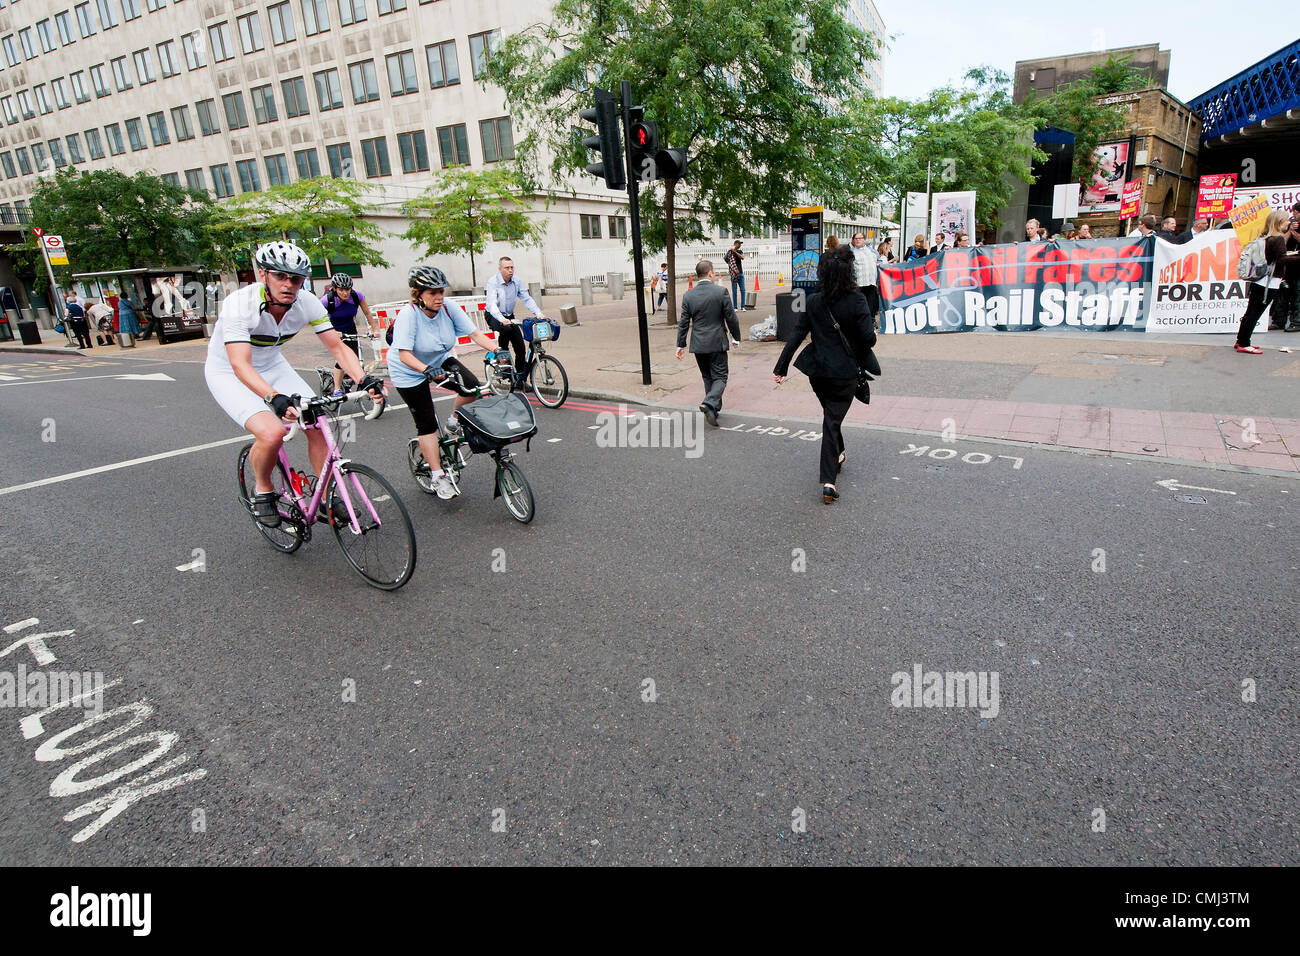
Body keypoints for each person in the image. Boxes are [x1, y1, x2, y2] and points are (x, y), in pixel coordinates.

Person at [204, 240, 383, 526]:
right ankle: (262, 488)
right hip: (229, 370)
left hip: (273, 365)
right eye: (280, 276)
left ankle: (325, 497)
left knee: (317, 423)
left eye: (296, 279)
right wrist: (273, 397)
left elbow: (337, 348)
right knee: (272, 433)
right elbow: (240, 364)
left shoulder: (306, 303)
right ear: (263, 275)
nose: (289, 284)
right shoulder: (239, 304)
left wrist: (363, 378)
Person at [772, 245, 877, 505]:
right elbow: (868, 339)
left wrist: (781, 367)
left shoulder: (815, 300)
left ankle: (839, 452)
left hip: (817, 371)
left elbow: (797, 334)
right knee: (832, 420)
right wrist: (869, 333)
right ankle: (828, 481)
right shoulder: (857, 300)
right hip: (844, 373)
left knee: (831, 415)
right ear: (848, 272)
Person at [389, 266, 498, 499]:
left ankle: (453, 422)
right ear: (418, 294)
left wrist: (497, 351)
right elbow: (404, 355)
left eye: (441, 291)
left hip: (439, 360)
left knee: (472, 387)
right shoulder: (409, 315)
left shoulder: (449, 308)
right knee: (426, 422)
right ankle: (438, 477)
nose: (439, 297)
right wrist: (426, 370)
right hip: (408, 371)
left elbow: (475, 334)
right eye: (432, 293)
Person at [676, 259, 740, 427]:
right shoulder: (721, 292)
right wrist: (736, 337)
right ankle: (709, 403)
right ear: (710, 273)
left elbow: (683, 322)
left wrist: (680, 345)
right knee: (720, 376)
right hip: (716, 342)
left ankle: (713, 409)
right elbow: (731, 317)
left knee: (707, 376)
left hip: (698, 343)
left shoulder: (688, 295)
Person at [1234, 211, 1291, 354]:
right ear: (1279, 222)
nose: (1288, 223)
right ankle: (1244, 343)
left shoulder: (1266, 237)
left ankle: (1241, 339)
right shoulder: (1278, 239)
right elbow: (1282, 260)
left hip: (1260, 280)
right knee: (1255, 312)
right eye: (1286, 221)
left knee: (1250, 311)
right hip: (1269, 282)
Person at [320, 273, 379, 396]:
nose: (345, 293)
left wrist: (374, 329)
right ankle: (336, 389)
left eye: (347, 289)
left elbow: (367, 313)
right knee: (342, 359)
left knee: (355, 357)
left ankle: (350, 377)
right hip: (333, 330)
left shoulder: (357, 296)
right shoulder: (327, 300)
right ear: (335, 289)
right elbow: (319, 319)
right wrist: (332, 332)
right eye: (341, 290)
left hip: (349, 328)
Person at [485, 256, 545, 375]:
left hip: (508, 315)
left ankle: (520, 378)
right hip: (493, 315)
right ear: (500, 269)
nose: (510, 270)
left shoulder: (516, 281)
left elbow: (526, 298)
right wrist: (501, 319)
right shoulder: (493, 282)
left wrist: (538, 313)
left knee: (520, 347)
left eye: (512, 267)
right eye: (507, 268)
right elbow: (492, 304)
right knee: (505, 330)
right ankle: (503, 360)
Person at [850, 231, 879, 316]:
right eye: (856, 238)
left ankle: (871, 321)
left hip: (871, 284)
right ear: (853, 240)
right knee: (860, 308)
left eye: (860, 238)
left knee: (871, 307)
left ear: (864, 240)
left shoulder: (872, 252)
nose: (858, 240)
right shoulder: (851, 253)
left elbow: (878, 263)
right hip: (859, 285)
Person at [723, 240, 746, 311]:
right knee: (734, 291)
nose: (740, 245)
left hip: (740, 273)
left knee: (743, 290)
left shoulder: (739, 251)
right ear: (735, 244)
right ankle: (735, 307)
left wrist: (735, 252)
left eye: (740, 244)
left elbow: (742, 257)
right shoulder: (730, 252)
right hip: (733, 274)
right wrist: (732, 269)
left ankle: (743, 306)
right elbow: (726, 259)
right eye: (739, 244)